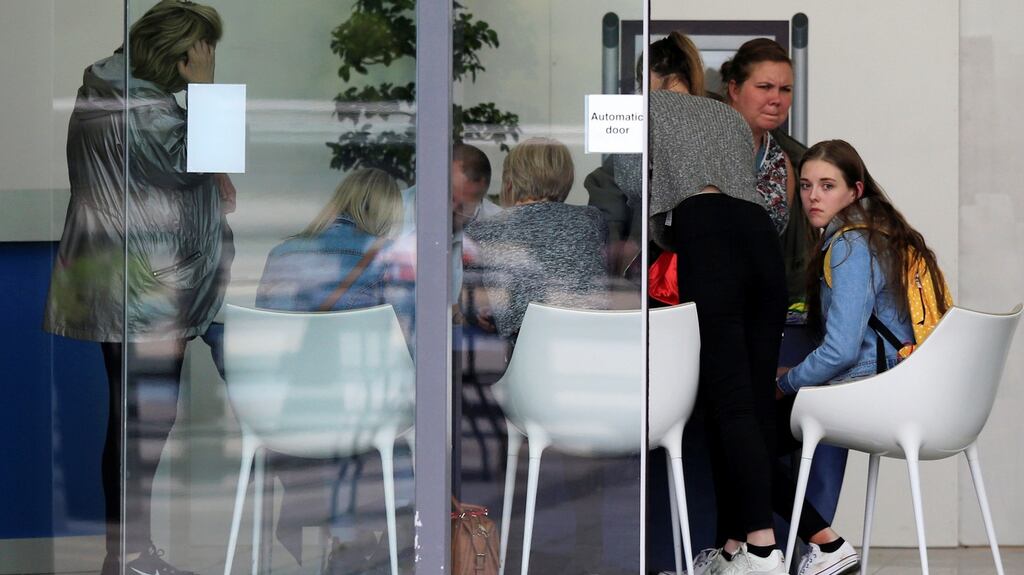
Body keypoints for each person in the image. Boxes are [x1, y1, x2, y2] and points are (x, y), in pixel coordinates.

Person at [42, 2, 233, 574]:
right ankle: (129, 556)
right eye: (200, 55)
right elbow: (195, 160)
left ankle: (127, 554)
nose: (204, 63)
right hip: (145, 289)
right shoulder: (144, 110)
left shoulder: (105, 92)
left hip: (123, 279)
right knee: (143, 428)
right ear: (176, 54)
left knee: (135, 423)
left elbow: (171, 172)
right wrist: (206, 91)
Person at [254, 167, 412, 569]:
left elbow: (265, 344)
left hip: (287, 416)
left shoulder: (284, 253)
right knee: (395, 424)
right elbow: (409, 346)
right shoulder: (389, 260)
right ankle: (361, 538)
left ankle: (347, 538)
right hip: (361, 418)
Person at [465, 137, 608, 341]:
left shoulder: (482, 232)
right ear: (566, 177)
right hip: (592, 341)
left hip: (528, 354)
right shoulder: (592, 220)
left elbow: (474, 305)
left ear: (510, 180)